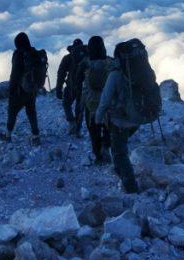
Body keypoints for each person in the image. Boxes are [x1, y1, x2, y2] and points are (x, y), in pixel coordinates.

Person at [95, 41, 142, 193]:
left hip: (121, 120)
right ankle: (120, 170)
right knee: (120, 145)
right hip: (138, 116)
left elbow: (105, 100)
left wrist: (98, 118)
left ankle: (131, 187)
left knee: (119, 152)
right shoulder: (139, 71)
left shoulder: (115, 75)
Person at [1, 31, 41, 145]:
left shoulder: (18, 54)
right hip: (32, 89)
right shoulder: (34, 52)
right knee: (31, 112)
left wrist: (11, 90)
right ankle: (36, 136)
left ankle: (7, 135)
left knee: (12, 111)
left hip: (19, 90)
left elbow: (15, 74)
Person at [79, 36, 114, 165]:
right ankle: (107, 146)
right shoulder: (111, 62)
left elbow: (77, 81)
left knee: (93, 129)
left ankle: (98, 155)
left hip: (91, 103)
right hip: (108, 102)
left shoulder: (85, 63)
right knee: (108, 127)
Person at [55, 38, 86, 135]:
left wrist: (58, 88)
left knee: (66, 104)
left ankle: (72, 122)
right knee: (79, 108)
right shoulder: (87, 56)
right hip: (84, 86)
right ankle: (78, 129)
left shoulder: (67, 58)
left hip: (71, 85)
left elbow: (61, 74)